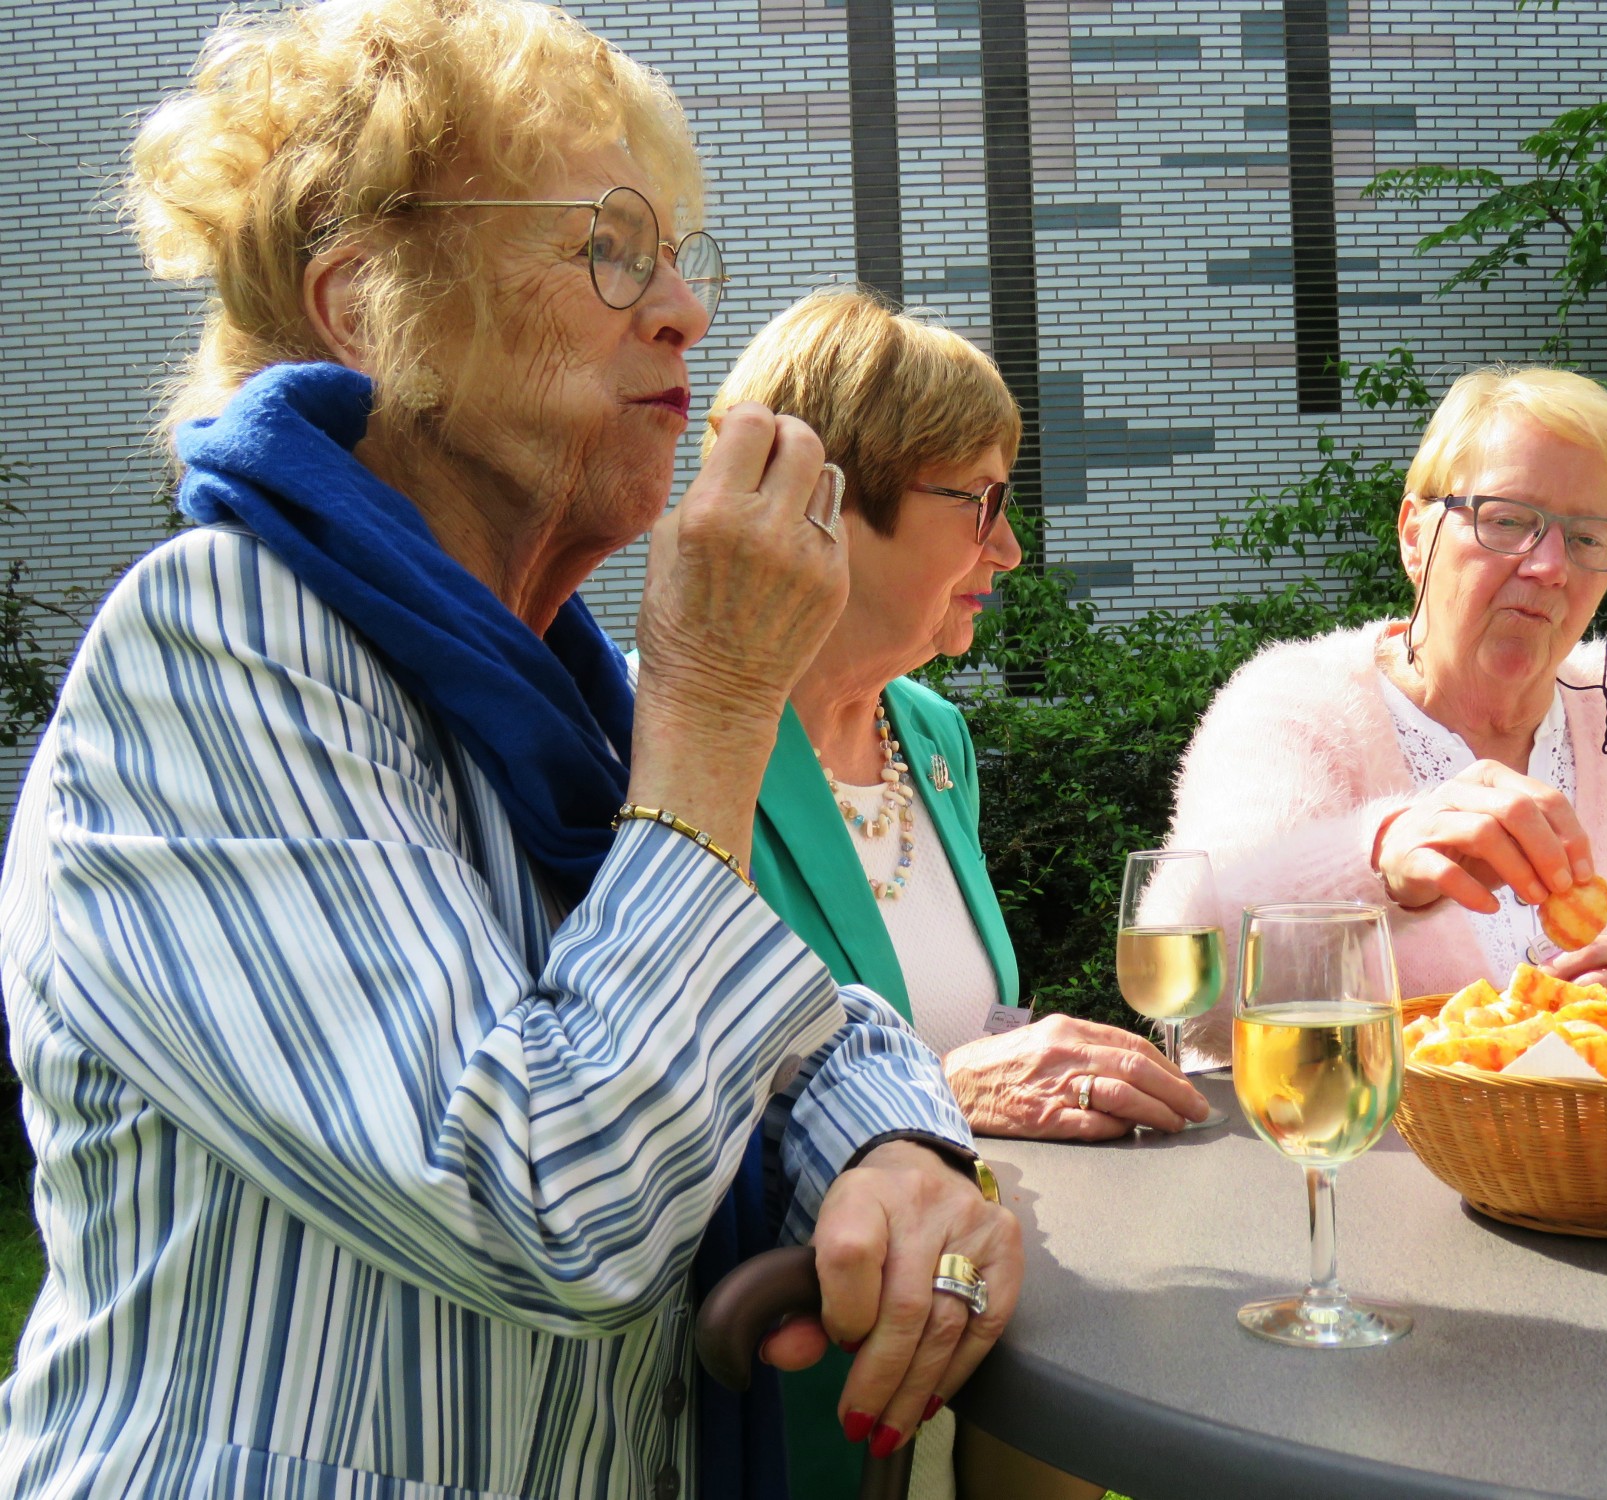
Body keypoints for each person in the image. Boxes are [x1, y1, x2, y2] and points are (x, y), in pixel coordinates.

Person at [0, 4, 1019, 1497]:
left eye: (678, 256)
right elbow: (547, 1200)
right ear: (368, 309)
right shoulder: (215, 647)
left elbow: (816, 1028)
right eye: (608, 246)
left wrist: (901, 1156)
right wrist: (722, 703)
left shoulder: (557, 694)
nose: (680, 308)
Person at [703, 288, 1200, 1498]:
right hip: (782, 1375)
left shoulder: (930, 736)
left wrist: (1039, 1061)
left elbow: (949, 1016)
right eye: (976, 502)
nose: (1010, 548)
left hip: (982, 1322)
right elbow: (680, 1092)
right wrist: (941, 1093)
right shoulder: (679, 735)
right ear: (832, 492)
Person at [1166, 365, 1607, 1061]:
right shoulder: (1295, 704)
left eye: (1588, 537)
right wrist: (1375, 860)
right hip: (1361, 1154)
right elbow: (1187, 988)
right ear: (1415, 535)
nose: (1551, 566)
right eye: (1509, 521)